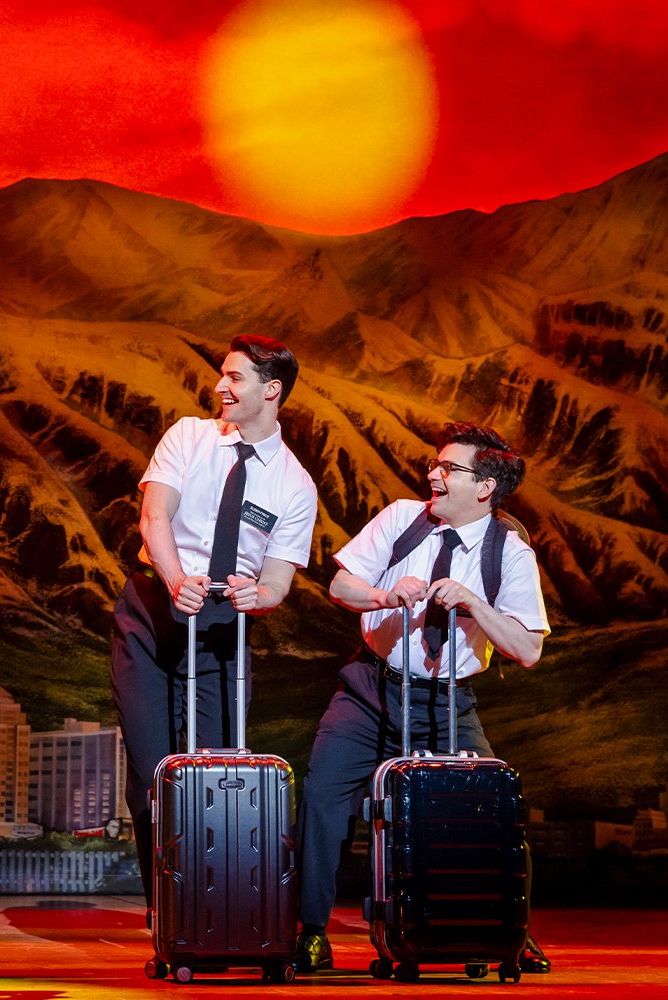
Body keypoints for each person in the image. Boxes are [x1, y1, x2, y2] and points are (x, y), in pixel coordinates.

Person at [293, 421, 550, 974]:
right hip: (371, 690)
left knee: (495, 812)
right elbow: (341, 586)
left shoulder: (510, 552)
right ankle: (310, 930)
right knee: (322, 799)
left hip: (446, 705)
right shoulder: (402, 520)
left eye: (448, 468)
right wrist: (384, 594)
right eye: (435, 464)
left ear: (484, 486)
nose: (433, 474)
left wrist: (475, 605)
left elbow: (526, 649)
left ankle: (511, 929)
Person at [110, 335, 319, 905]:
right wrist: (179, 583)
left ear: (271, 391)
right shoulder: (189, 436)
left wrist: (261, 596)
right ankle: (168, 912)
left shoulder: (294, 484)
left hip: (223, 630)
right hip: (155, 611)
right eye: (222, 375)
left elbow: (278, 579)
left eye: (235, 378)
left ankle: (217, 904)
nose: (220, 387)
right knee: (153, 772)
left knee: (220, 774)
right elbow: (155, 516)